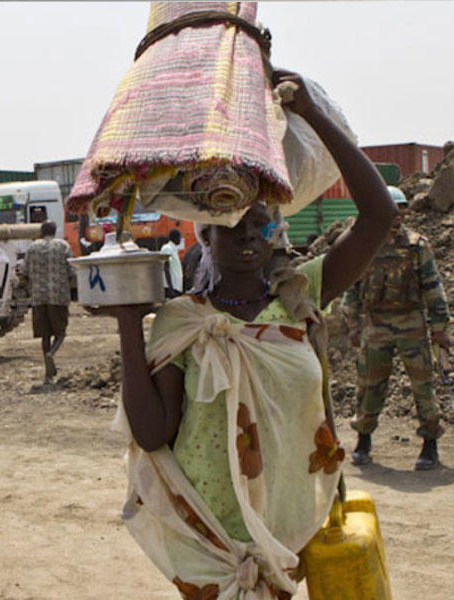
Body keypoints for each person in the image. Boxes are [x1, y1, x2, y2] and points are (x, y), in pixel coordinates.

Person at [93, 71, 397, 599]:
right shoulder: (184, 321)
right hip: (210, 542)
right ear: (205, 235)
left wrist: (311, 114)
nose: (248, 238)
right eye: (230, 227)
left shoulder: (301, 295)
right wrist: (127, 323)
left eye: (259, 223)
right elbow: (152, 433)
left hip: (286, 532)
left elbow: (379, 215)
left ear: (275, 227)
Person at [343, 186, 451, 470]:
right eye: (392, 209)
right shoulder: (364, 244)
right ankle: (363, 440)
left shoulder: (417, 246)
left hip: (412, 324)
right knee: (369, 385)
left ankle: (430, 445)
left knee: (423, 386)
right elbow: (352, 287)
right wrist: (353, 324)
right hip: (375, 325)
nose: (396, 216)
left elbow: (433, 287)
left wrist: (440, 327)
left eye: (401, 209)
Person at [20, 221, 75, 383]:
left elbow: (23, 271)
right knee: (60, 332)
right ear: (55, 230)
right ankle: (52, 353)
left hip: (38, 298)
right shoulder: (63, 246)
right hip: (58, 296)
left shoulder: (32, 247)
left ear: (41, 231)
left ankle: (48, 374)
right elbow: (71, 270)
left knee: (45, 335)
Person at [161, 228, 184, 298]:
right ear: (175, 238)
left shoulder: (174, 250)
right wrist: (170, 286)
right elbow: (166, 267)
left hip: (177, 287)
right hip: (172, 287)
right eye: (180, 237)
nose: (180, 239)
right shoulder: (167, 248)